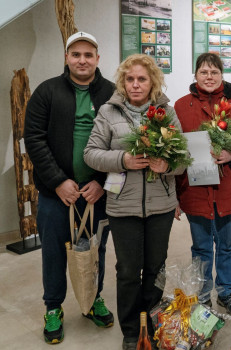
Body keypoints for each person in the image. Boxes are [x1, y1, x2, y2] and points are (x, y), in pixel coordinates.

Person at [83, 54, 186, 350]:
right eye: (130, 79)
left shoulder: (166, 112)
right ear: (122, 82)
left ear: (152, 81)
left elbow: (182, 162)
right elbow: (90, 153)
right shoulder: (108, 111)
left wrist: (167, 166)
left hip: (161, 206)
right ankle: (131, 330)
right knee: (128, 270)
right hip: (122, 206)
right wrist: (123, 159)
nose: (136, 85)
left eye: (142, 79)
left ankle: (151, 322)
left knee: (156, 267)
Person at [24, 31, 115, 344]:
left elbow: (123, 142)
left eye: (88, 55)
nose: (82, 60)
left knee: (94, 250)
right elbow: (34, 139)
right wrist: (58, 181)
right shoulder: (47, 91)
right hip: (55, 195)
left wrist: (102, 183)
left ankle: (92, 300)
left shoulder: (112, 93)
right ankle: (53, 307)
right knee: (53, 252)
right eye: (76, 54)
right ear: (66, 57)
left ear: (97, 59)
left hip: (95, 195)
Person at [174, 53, 231, 317]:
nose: (209, 77)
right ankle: (202, 294)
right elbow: (174, 152)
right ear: (195, 75)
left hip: (228, 187)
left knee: (227, 243)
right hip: (195, 190)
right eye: (203, 72)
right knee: (200, 247)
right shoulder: (181, 105)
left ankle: (226, 292)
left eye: (214, 72)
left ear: (222, 75)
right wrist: (174, 196)